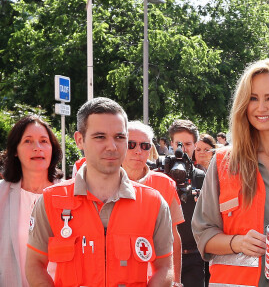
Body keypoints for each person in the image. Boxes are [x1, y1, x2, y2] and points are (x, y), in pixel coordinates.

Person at [26, 97, 174, 286]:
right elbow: (34, 265)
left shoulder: (153, 203)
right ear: (80, 140)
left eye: (119, 137)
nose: (112, 146)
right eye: (100, 137)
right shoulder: (51, 200)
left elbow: (165, 267)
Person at [192, 58, 269, 286]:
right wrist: (237, 243)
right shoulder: (223, 162)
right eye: (253, 98)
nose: (261, 107)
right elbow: (203, 234)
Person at [0, 115, 63, 286]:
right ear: (15, 150)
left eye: (44, 141)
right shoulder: (2, 194)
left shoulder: (68, 193)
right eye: (28, 141)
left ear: (52, 149)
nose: (37, 148)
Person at [122, 120, 185, 286]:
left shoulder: (165, 184)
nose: (138, 151)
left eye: (145, 146)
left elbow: (174, 238)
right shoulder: (105, 181)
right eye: (131, 145)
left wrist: (176, 282)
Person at [168, 119, 206, 287]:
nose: (183, 149)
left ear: (195, 145)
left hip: (195, 257)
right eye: (178, 143)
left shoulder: (201, 177)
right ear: (171, 143)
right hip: (165, 257)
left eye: (188, 144)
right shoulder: (161, 175)